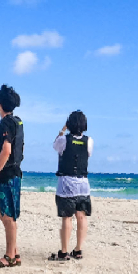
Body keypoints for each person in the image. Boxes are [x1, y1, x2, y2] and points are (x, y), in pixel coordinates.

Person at [0, 84, 24, 269]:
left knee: (7, 216)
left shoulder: (5, 124)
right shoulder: (18, 122)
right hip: (15, 173)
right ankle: (14, 252)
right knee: (8, 216)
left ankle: (9, 256)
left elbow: (6, 150)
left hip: (7, 174)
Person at [49, 109, 91, 262]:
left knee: (67, 217)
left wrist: (62, 130)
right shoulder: (89, 141)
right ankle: (78, 249)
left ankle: (64, 251)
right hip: (83, 184)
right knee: (81, 216)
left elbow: (55, 146)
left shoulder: (64, 140)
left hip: (66, 183)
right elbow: (88, 154)